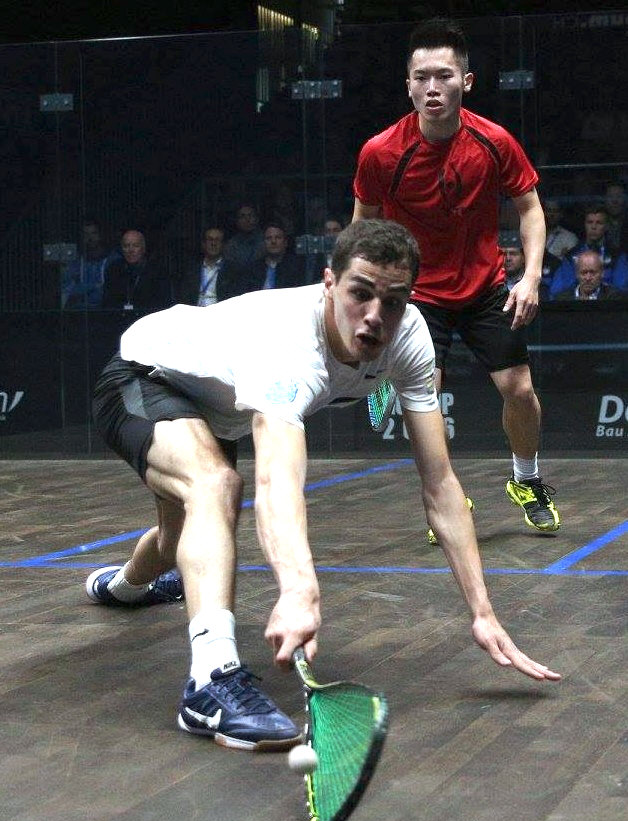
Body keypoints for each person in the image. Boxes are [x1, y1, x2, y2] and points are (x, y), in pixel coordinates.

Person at [87, 219, 560, 753]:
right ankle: (210, 683)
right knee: (215, 487)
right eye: (360, 293)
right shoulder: (289, 343)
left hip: (218, 406)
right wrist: (298, 589)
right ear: (329, 283)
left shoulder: (409, 338)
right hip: (146, 373)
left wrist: (483, 612)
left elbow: (441, 486)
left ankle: (123, 587)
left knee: (180, 541)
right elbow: (277, 480)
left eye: (393, 301)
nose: (375, 315)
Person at [352, 17, 560, 536]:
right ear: (408, 85)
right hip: (418, 294)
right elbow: (362, 228)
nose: (432, 87)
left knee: (519, 390)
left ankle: (526, 479)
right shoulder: (381, 152)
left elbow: (530, 209)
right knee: (426, 399)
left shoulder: (494, 141)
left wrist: (531, 277)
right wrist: (367, 295)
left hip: (486, 287)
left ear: (465, 82)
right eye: (421, 77)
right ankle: (447, 498)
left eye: (443, 76)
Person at [548, 205, 628, 299]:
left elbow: (622, 289)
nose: (593, 227)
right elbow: (557, 291)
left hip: (607, 304)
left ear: (606, 226)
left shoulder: (617, 255)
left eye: (599, 223)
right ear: (585, 225)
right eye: (590, 222)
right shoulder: (571, 255)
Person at [102, 229, 172, 312]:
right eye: (126, 246)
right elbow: (108, 302)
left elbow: (163, 303)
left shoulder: (157, 271)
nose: (131, 250)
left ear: (143, 248)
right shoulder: (113, 270)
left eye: (135, 246)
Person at [173, 227, 245, 306]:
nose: (213, 243)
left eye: (217, 240)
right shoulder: (192, 269)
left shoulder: (232, 270)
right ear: (203, 244)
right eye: (210, 239)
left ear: (223, 244)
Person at [61, 219, 120, 310]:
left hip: (106, 311)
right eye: (86, 234)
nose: (90, 238)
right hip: (79, 312)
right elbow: (68, 290)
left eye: (94, 233)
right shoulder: (75, 262)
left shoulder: (113, 259)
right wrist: (94, 286)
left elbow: (114, 290)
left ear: (101, 235)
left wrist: (84, 288)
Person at [246, 223, 305, 291]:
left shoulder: (296, 268)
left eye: (278, 238)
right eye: (269, 238)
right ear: (263, 243)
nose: (273, 241)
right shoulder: (253, 269)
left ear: (285, 242)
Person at [553, 250, 626, 301]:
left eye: (593, 272)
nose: (588, 278)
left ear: (602, 273)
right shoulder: (561, 299)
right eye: (583, 272)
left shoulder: (614, 297)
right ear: (576, 274)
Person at [222, 203, 264, 271]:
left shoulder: (267, 240)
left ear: (257, 219)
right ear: (237, 221)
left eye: (250, 215)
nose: (247, 219)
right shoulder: (231, 246)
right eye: (242, 216)